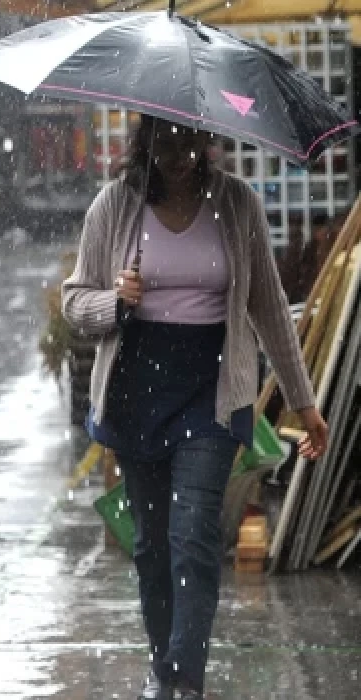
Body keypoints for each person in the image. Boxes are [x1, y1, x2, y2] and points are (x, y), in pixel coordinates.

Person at [63, 115, 328, 700]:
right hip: (137, 392)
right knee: (152, 543)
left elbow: (270, 311)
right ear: (145, 140)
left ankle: (185, 678)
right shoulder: (114, 207)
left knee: (194, 533)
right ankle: (162, 664)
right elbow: (74, 304)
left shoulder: (237, 205)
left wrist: (305, 403)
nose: (181, 152)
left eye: (191, 138)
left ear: (209, 140)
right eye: (167, 138)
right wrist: (114, 299)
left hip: (213, 391)